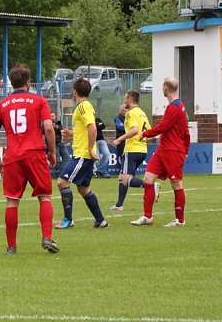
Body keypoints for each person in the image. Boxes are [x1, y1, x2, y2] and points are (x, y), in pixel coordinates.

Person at [0, 64, 59, 254]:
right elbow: (48, 128)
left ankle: (11, 246)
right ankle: (47, 237)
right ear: (28, 82)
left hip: (12, 157)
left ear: (12, 84)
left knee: (12, 201)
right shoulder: (39, 101)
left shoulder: (1, 105)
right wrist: (52, 152)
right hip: (35, 154)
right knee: (44, 196)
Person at [131, 77, 190, 227]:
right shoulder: (177, 106)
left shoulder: (175, 107)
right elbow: (185, 132)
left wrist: (145, 134)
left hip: (173, 151)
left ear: (165, 89)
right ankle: (147, 216)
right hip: (163, 149)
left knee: (176, 183)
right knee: (147, 179)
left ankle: (180, 220)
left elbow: (163, 127)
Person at [55, 78, 107, 229]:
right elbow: (85, 129)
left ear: (74, 91)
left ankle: (68, 219)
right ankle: (100, 220)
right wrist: (71, 134)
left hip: (83, 154)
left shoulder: (83, 106)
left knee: (62, 182)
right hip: (84, 153)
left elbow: (92, 127)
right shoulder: (84, 106)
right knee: (83, 188)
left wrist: (90, 148)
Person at [110, 91, 154, 212]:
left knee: (125, 179)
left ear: (130, 99)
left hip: (132, 150)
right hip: (142, 151)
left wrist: (119, 139)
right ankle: (119, 205)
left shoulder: (131, 113)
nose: (124, 102)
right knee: (122, 177)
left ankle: (150, 186)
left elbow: (134, 130)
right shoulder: (142, 113)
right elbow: (150, 135)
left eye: (125, 98)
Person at [113, 105, 127, 171]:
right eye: (123, 110)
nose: (124, 111)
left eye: (125, 110)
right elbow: (120, 127)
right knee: (122, 156)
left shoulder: (129, 117)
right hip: (121, 141)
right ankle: (122, 170)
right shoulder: (118, 118)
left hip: (128, 140)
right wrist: (130, 128)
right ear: (120, 111)